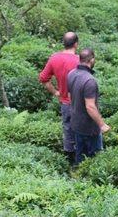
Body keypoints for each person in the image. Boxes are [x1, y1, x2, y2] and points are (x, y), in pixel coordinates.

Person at [39, 32, 80, 164]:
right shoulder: (80, 60)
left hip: (65, 103)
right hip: (81, 103)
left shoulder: (54, 58)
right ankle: (83, 162)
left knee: (68, 130)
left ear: (64, 43)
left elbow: (43, 79)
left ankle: (70, 163)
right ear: (76, 44)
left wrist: (56, 92)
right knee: (83, 131)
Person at [67, 48, 110, 165]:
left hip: (76, 123)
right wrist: (102, 125)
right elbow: (90, 107)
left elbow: (70, 97)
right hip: (89, 128)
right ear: (91, 60)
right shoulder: (90, 81)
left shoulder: (71, 74)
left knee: (80, 156)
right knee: (96, 159)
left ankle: (78, 179)